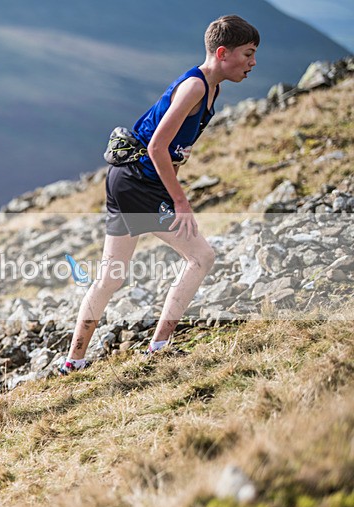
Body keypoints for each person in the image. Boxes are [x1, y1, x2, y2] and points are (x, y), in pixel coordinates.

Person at [60, 15, 259, 374]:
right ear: (222, 52)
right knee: (201, 257)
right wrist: (180, 202)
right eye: (248, 53)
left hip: (124, 180)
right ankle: (160, 347)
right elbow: (156, 147)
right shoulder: (195, 88)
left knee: (112, 277)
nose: (253, 63)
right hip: (137, 181)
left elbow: (169, 148)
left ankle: (73, 361)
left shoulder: (212, 88)